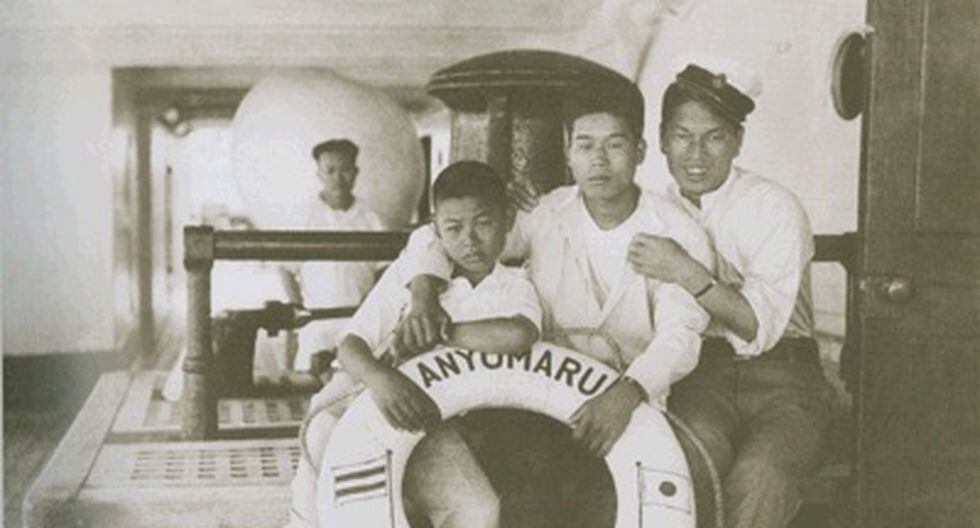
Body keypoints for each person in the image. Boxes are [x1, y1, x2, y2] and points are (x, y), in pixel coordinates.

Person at [393, 81, 713, 525]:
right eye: (585, 145)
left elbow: (682, 335)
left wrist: (627, 394)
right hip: (537, 411)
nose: (598, 160)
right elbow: (446, 236)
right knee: (522, 503)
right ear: (568, 152)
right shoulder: (546, 213)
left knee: (614, 510)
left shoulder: (677, 230)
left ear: (640, 151)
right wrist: (424, 294)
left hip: (630, 406)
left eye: (614, 145)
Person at [627, 61, 835, 527]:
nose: (696, 154)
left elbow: (755, 325)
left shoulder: (773, 205)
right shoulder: (653, 210)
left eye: (714, 137)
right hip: (700, 378)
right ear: (661, 140)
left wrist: (684, 269)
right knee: (684, 461)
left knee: (763, 475)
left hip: (786, 377)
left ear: (738, 141)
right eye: (682, 136)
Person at [286, 161, 542, 528]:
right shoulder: (411, 276)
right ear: (436, 229)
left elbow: (518, 335)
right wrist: (382, 380)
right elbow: (352, 345)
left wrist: (438, 332)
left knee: (479, 510)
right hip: (368, 404)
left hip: (432, 427)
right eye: (453, 228)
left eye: (483, 223)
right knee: (329, 452)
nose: (469, 240)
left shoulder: (515, 287)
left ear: (508, 220)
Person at [281, 139, 385, 373]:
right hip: (315, 323)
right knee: (312, 386)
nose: (338, 178)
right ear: (319, 174)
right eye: (330, 170)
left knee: (358, 383)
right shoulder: (303, 216)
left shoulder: (371, 218)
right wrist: (298, 308)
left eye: (345, 170)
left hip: (360, 322)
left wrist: (371, 308)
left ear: (355, 172)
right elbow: (286, 268)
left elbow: (384, 269)